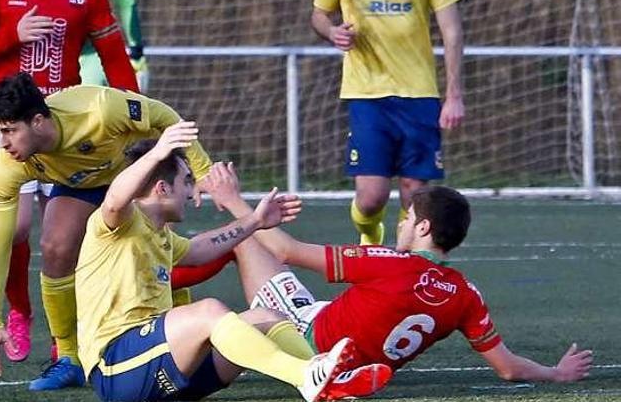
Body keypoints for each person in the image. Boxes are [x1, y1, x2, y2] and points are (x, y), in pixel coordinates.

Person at [73, 127, 393, 402]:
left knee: (267, 317)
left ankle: (324, 379)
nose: (192, 189)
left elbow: (198, 250)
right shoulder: (121, 219)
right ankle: (305, 374)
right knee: (210, 310)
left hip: (163, 368)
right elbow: (114, 199)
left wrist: (254, 220)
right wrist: (158, 152)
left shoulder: (162, 236)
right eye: (186, 180)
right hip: (115, 368)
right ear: (162, 188)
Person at [203, 164, 593, 387]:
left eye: (406, 219)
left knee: (244, 240)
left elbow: (286, 249)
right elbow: (508, 368)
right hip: (358, 368)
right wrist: (556, 373)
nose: (401, 225)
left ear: (423, 228)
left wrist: (236, 203)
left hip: (308, 339)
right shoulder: (465, 294)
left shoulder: (388, 261)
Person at [0, 0, 139, 370]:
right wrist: (11, 34)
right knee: (15, 229)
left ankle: (66, 340)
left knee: (65, 237)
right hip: (12, 129)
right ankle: (20, 311)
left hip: (64, 130)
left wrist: (133, 117)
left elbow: (115, 58)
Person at [0, 72, 225, 391]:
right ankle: (68, 358)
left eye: (10, 131)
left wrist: (202, 170)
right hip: (84, 185)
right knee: (54, 246)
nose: (4, 143)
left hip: (136, 174)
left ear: (38, 121)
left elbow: (163, 116)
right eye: (0, 132)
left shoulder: (99, 108)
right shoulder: (8, 165)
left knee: (153, 252)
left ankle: (181, 337)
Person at [310, 0, 465, 246]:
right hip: (367, 95)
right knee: (371, 197)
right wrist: (332, 32)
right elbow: (319, 15)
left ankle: (404, 258)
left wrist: (453, 96)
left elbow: (451, 32)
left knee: (416, 195)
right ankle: (370, 236)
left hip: (419, 94)